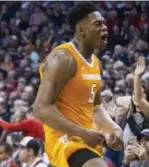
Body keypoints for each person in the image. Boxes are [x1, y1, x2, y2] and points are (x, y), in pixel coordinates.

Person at [34, 2, 123, 167]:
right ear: (81, 31)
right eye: (98, 24)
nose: (104, 28)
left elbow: (95, 108)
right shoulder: (63, 58)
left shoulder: (96, 64)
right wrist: (81, 132)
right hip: (64, 139)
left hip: (88, 138)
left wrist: (114, 129)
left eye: (104, 23)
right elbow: (41, 108)